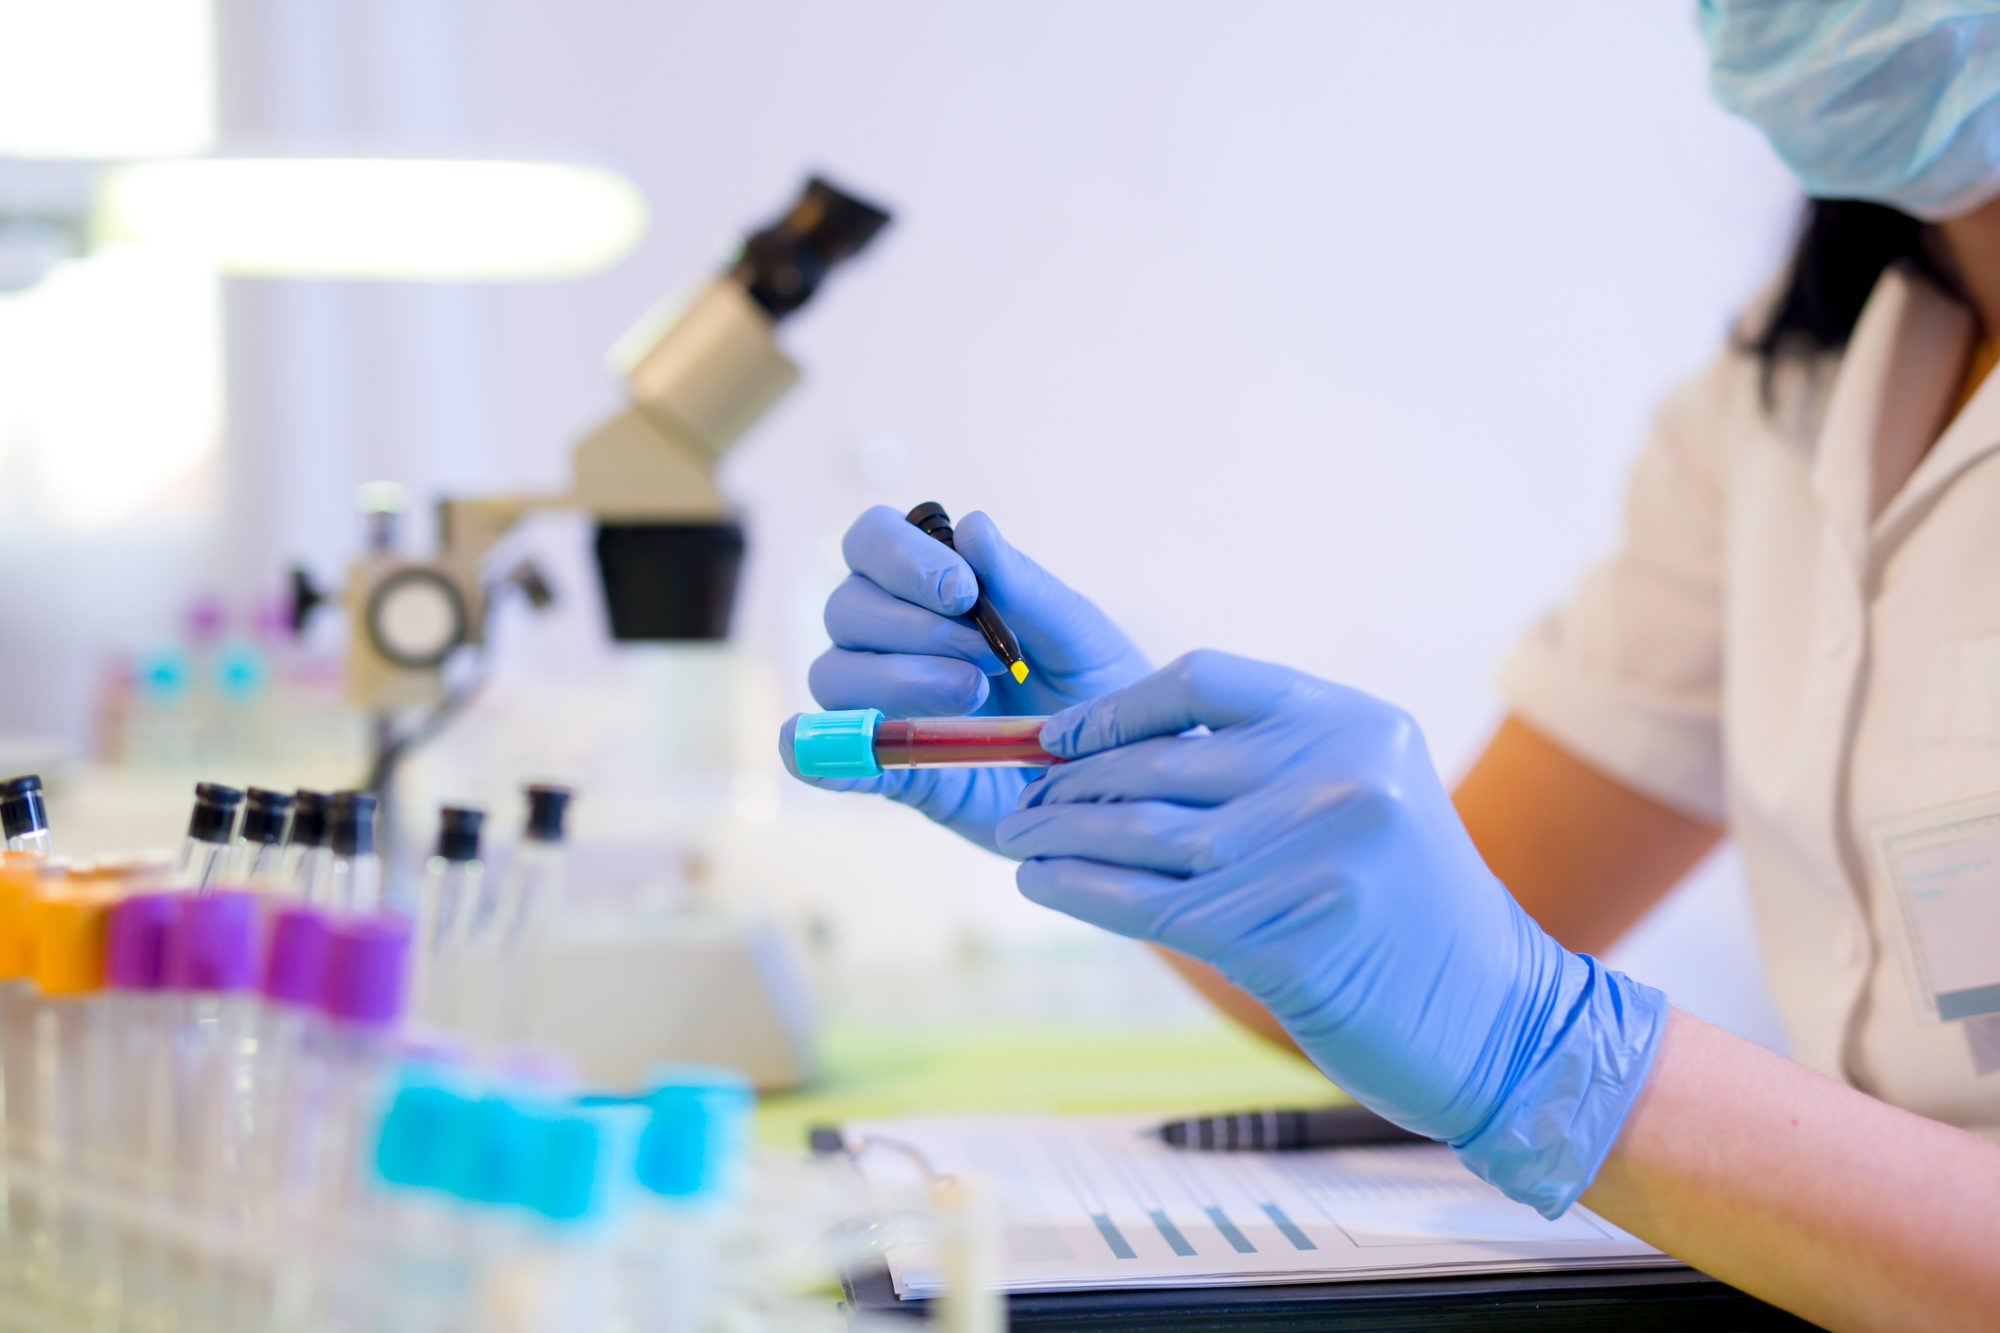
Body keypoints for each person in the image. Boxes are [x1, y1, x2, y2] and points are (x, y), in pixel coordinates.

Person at [782, 6, 2000, 1329]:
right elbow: (1407, 959)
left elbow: (1492, 1004)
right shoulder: (1794, 386)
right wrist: (1144, 807)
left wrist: (1550, 1057)